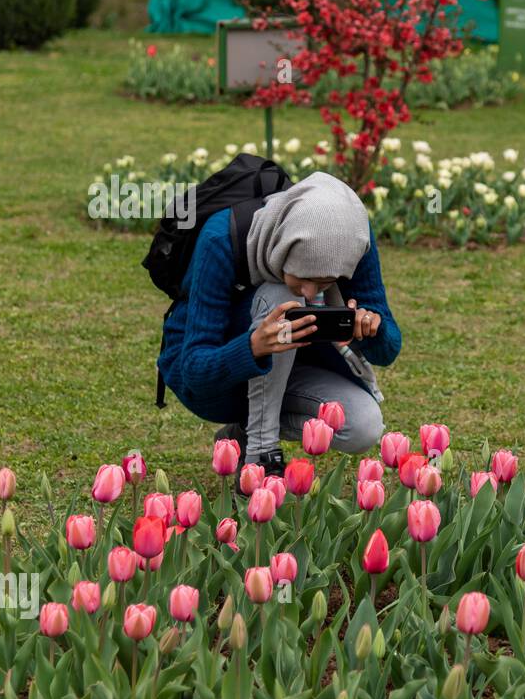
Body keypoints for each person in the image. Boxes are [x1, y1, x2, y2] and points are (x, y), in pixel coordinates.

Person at [157, 172, 400, 477]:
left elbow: (389, 351)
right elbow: (194, 374)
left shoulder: (352, 238)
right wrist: (253, 347)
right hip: (214, 382)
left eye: (325, 283)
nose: (312, 295)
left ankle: (242, 434)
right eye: (305, 278)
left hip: (295, 367)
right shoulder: (221, 238)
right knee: (281, 294)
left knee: (362, 426)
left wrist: (372, 331)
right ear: (283, 250)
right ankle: (260, 455)